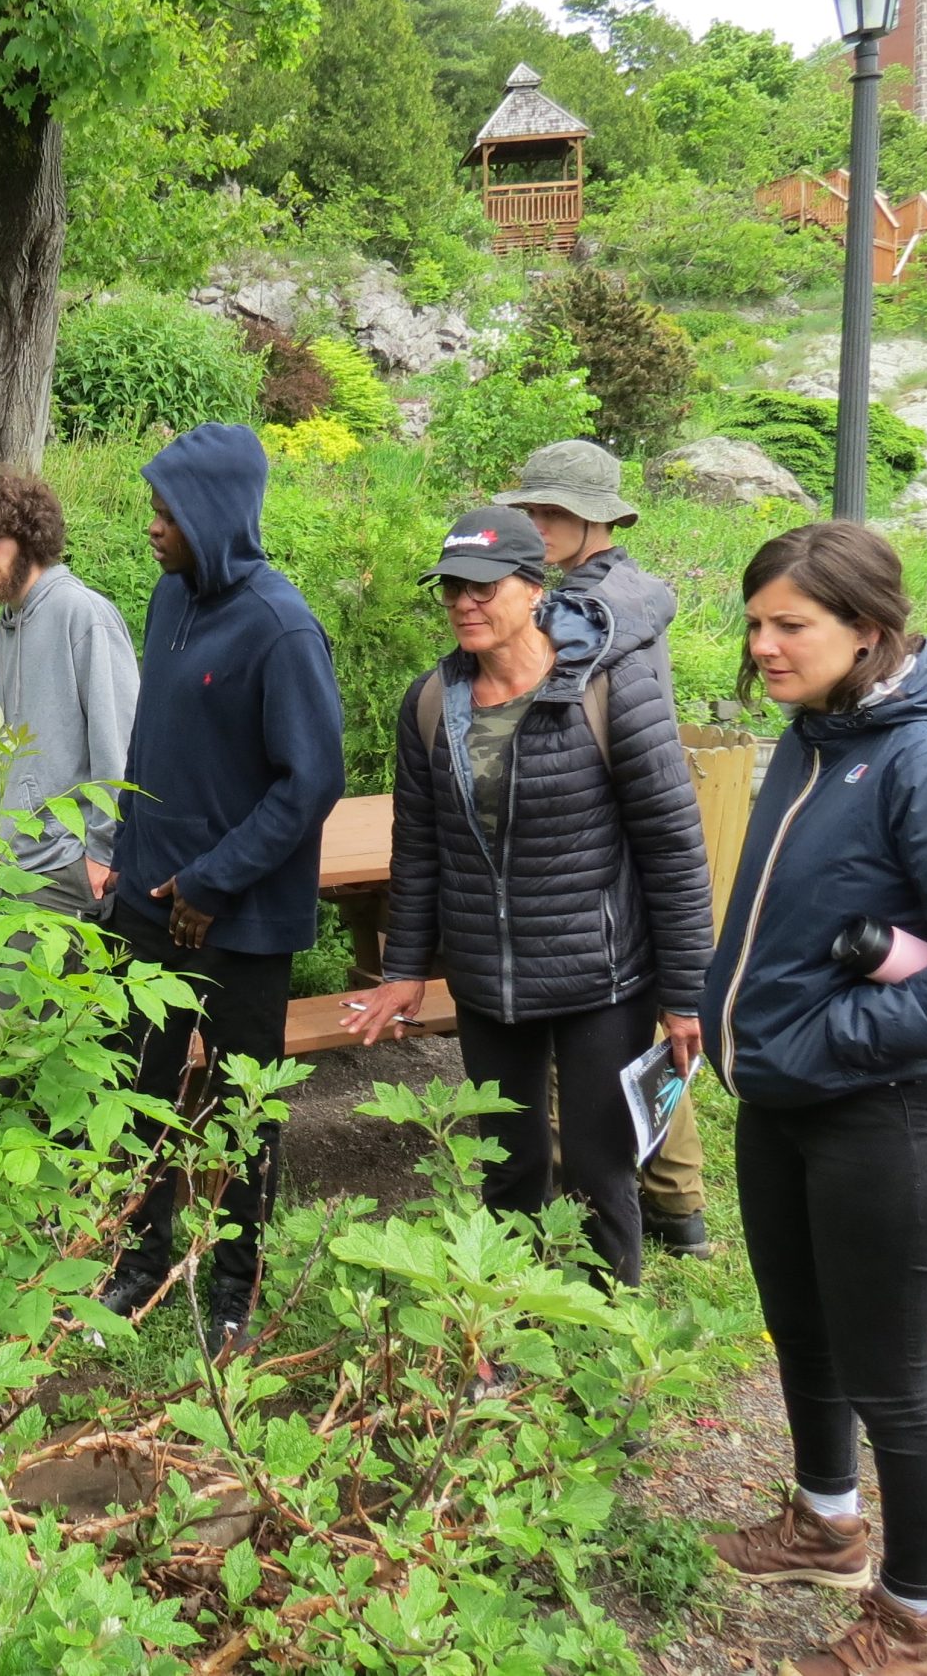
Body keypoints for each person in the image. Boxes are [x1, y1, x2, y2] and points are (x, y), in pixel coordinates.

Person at [699, 523, 927, 1676]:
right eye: (754, 622)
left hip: (883, 1120)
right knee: (803, 1333)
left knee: (892, 1384)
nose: (762, 646)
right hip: (783, 1104)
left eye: (788, 625)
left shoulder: (926, 758)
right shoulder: (815, 733)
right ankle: (823, 1524)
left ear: (865, 628)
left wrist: (822, 1036)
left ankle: (913, 1622)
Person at [343, 508, 714, 1291]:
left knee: (599, 1170)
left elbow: (673, 847)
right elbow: (420, 847)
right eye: (451, 588)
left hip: (599, 977)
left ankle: (605, 1334)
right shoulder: (432, 702)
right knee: (507, 1167)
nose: (463, 603)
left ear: (535, 588)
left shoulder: (612, 689)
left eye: (482, 587)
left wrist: (686, 996)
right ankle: (506, 1325)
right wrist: (402, 969)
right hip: (487, 979)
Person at [99, 424, 345, 1352]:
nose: (153, 526)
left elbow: (310, 782)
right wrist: (127, 859)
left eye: (168, 512)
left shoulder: (281, 628)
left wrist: (212, 881)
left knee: (245, 1110)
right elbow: (151, 745)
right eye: (153, 508)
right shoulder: (170, 598)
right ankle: (139, 1261)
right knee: (143, 1089)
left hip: (241, 924)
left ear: (215, 515)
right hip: (146, 907)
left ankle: (236, 1290)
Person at [496, 437, 712, 1259]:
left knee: (593, 1059)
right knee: (640, 1044)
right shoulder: (632, 592)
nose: (539, 524)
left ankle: (597, 1232)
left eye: (555, 512)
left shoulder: (585, 614)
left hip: (602, 854)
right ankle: (680, 1208)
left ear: (598, 522)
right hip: (631, 839)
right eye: (533, 510)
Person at [0, 469, 138, 917]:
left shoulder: (82, 615)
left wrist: (103, 854)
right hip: (5, 860)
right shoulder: (4, 632)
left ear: (29, 537)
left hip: (61, 867)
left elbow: (122, 748)